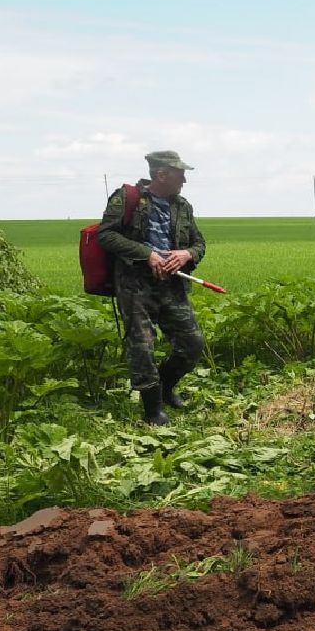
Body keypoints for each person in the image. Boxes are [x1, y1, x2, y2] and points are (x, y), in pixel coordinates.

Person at [97, 150, 207, 425]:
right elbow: (106, 235)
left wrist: (187, 255)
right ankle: (152, 411)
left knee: (192, 344)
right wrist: (146, 254)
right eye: (180, 174)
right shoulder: (127, 198)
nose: (184, 180)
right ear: (162, 174)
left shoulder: (183, 206)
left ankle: (165, 388)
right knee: (142, 346)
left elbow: (199, 243)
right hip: (135, 285)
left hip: (172, 285)